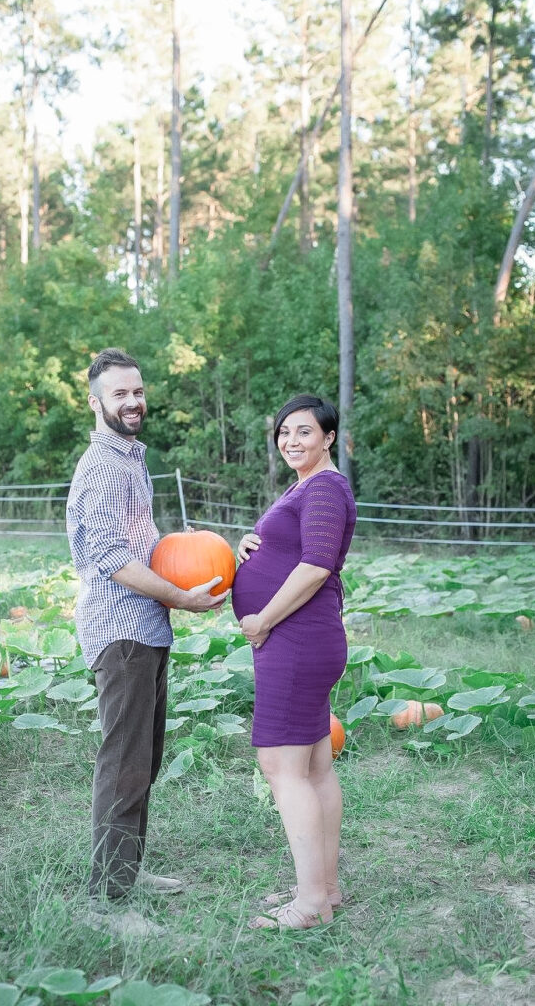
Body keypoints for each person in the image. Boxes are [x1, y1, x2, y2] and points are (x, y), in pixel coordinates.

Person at [66, 348, 226, 921]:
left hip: (145, 625)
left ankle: (125, 868)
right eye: (119, 394)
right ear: (96, 402)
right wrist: (178, 594)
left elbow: (137, 541)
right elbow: (108, 554)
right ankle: (108, 900)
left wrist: (186, 564)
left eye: (137, 391)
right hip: (123, 630)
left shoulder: (130, 456)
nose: (132, 402)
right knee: (125, 760)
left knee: (144, 757)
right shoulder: (106, 464)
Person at [231, 394, 357, 930]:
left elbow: (314, 567)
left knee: (281, 767)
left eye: (303, 431)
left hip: (296, 638)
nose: (291, 441)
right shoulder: (309, 486)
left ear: (327, 437)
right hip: (305, 639)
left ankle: (309, 905)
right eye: (284, 433)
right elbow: (292, 549)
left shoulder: (325, 486)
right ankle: (325, 889)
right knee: (314, 765)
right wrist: (248, 547)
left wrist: (261, 620)